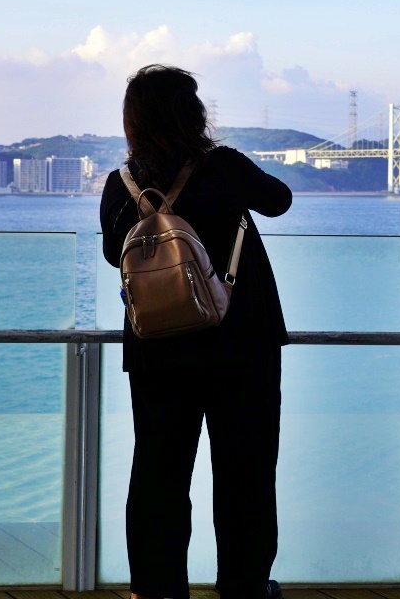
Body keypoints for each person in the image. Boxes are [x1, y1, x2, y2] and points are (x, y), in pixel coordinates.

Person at [100, 64, 292, 599]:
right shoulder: (224, 167)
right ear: (195, 115)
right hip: (242, 345)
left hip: (157, 348)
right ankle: (244, 586)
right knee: (246, 475)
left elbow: (115, 252)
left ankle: (156, 589)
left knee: (159, 474)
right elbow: (279, 199)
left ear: (132, 121)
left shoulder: (124, 185)